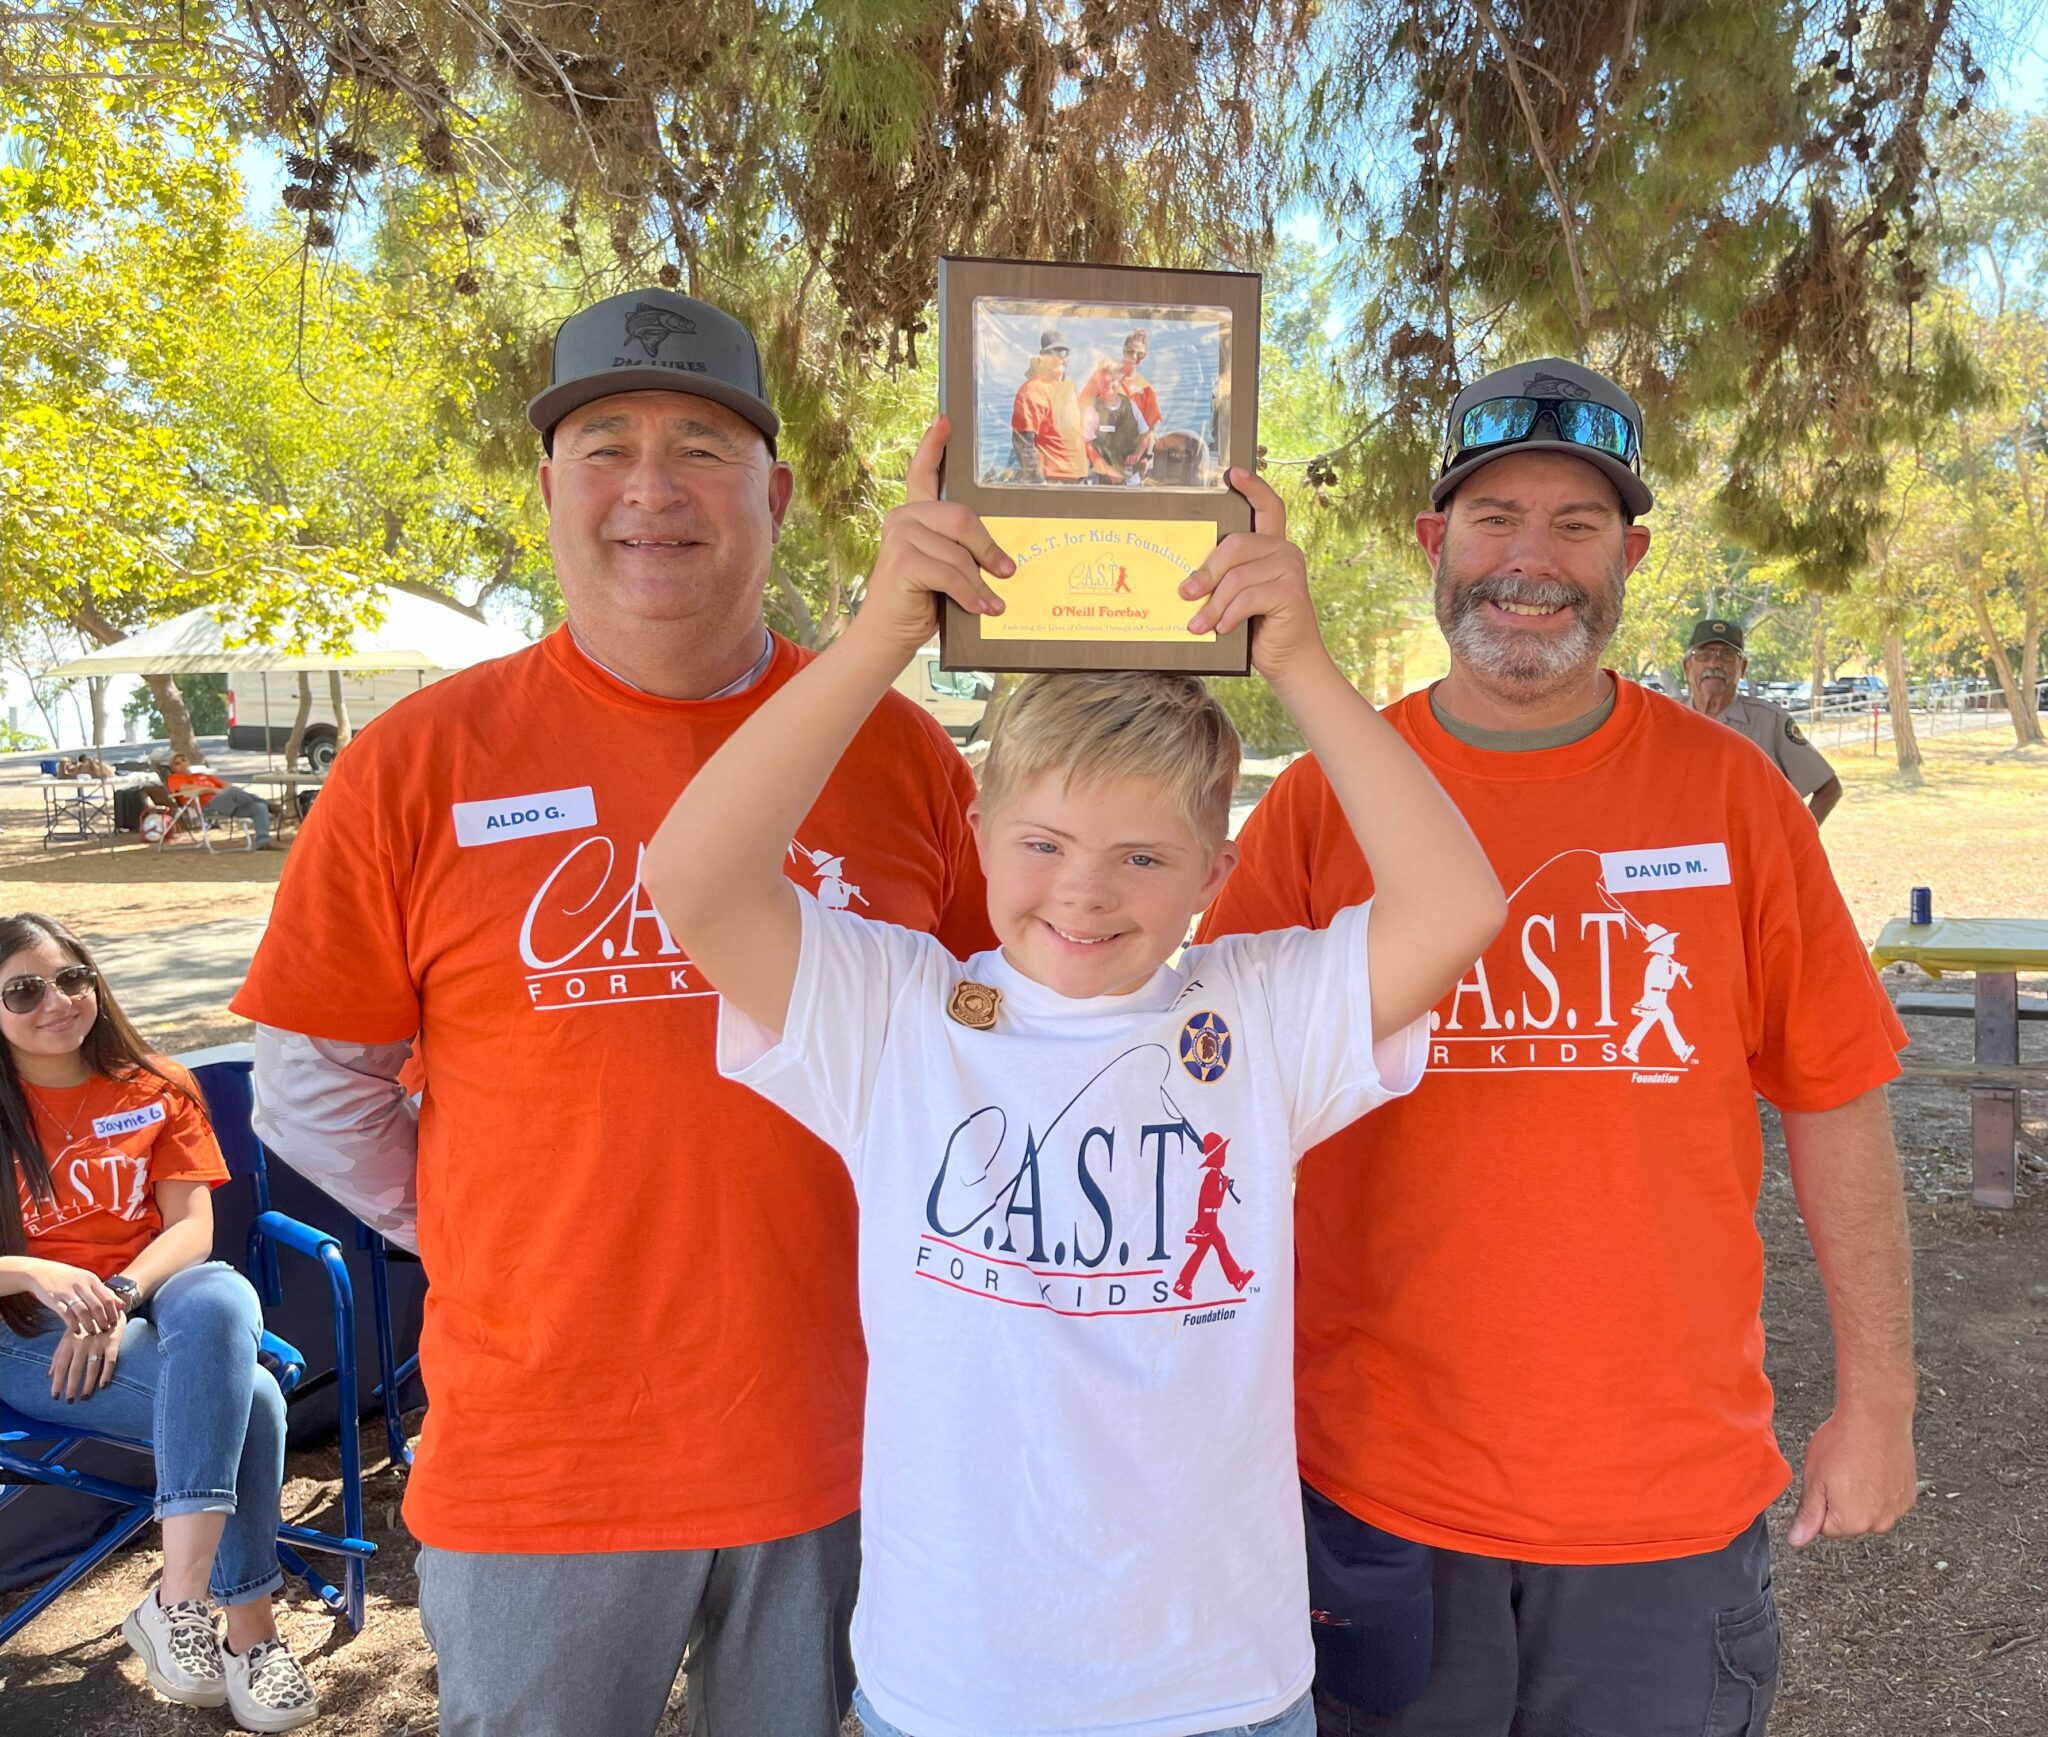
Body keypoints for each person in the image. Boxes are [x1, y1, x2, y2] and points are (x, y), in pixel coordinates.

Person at [641, 417, 1505, 1737]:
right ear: (977, 825)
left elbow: (1455, 909)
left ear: (1219, 877)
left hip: (1216, 1683)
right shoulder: (898, 1011)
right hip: (953, 1689)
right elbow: (693, 878)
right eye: (1043, 841)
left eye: (1146, 859)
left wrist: (1307, 668)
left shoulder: (1256, 1015)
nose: (1086, 893)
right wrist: (881, 636)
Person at [229, 289, 994, 1737]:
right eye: (606, 446)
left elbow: (989, 1049)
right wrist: (496, 1224)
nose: (652, 488)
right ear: (548, 492)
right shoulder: (416, 763)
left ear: (771, 494)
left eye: (702, 447)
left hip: (851, 1448)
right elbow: (310, 1087)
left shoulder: (898, 751)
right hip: (545, 1462)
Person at [1200, 358, 1917, 1736]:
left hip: (1659, 1503)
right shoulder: (1321, 802)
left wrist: (1877, 1397)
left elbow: (1837, 1097)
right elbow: (1211, 1093)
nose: (1531, 562)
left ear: (1631, 555)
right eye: (1494, 519)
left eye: (1577, 526)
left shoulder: (1733, 796)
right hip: (1374, 1486)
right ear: (1434, 544)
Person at [0, 912, 319, 1733]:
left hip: (147, 1302)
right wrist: (40, 1269)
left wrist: (114, 1295)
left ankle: (178, 1595)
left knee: (216, 1293)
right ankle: (250, 1631)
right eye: (22, 989)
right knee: (249, 1401)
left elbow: (191, 1231)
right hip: (24, 1330)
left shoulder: (155, 1084)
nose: (57, 1001)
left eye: (72, 976)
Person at [1683, 618, 1844, 824]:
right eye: (1703, 655)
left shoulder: (1770, 722)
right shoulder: (1666, 722)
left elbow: (1828, 788)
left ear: (1742, 667)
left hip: (1748, 852)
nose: (1714, 663)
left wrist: (1794, 845)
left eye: (1727, 655)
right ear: (1687, 666)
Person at [1010, 330, 1089, 483]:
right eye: (1052, 352)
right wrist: (1038, 482)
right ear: (1042, 355)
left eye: (1063, 352)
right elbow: (1022, 442)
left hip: (1079, 478)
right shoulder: (1032, 390)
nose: (1058, 358)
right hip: (1053, 481)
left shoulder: (1069, 384)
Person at [164, 754, 278, 849]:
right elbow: (184, 789)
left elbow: (226, 785)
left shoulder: (202, 776)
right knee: (234, 791)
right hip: (208, 806)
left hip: (226, 803)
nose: (182, 764)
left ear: (188, 762)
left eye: (183, 760)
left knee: (258, 807)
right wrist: (211, 789)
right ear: (173, 768)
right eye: (177, 763)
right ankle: (269, 805)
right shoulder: (174, 778)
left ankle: (263, 842)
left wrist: (221, 790)